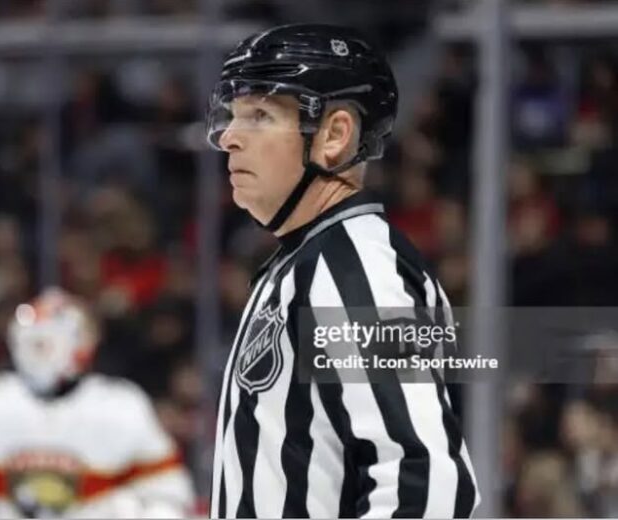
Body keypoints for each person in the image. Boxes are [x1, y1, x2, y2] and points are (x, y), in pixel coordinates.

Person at [206, 24, 480, 518]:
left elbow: (426, 487)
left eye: (260, 115)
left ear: (334, 135)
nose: (229, 137)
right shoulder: (306, 263)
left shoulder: (357, 269)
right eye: (233, 115)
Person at [0, 288, 195, 518]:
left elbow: (169, 498)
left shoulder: (122, 407)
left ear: (85, 344)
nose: (38, 354)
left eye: (45, 344)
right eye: (34, 343)